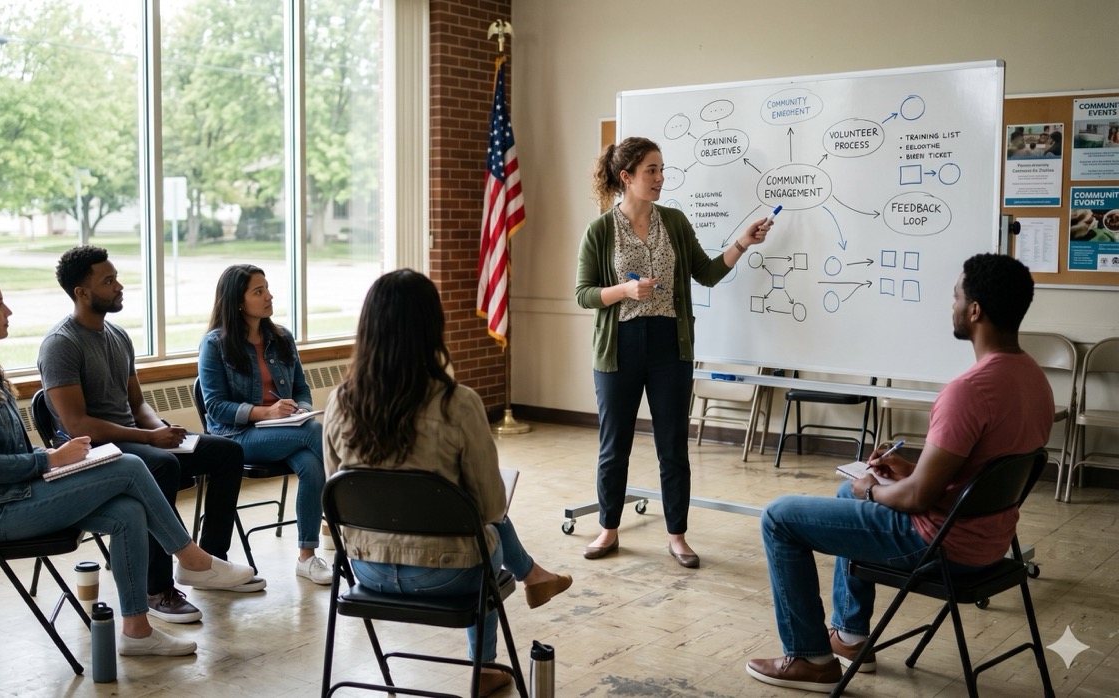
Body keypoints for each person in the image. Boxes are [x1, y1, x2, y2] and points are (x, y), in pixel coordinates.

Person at [745, 254, 1053, 692]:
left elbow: (914, 501)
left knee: (779, 517)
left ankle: (811, 659)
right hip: (992, 541)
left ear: (975, 310)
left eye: (955, 296)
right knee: (844, 493)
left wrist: (872, 489)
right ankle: (850, 636)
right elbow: (975, 471)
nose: (952, 305)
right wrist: (907, 469)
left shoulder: (968, 390)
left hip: (940, 545)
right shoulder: (1033, 379)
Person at [0, 271, 258, 657]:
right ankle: (192, 559)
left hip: (14, 494)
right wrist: (51, 459)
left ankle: (137, 632)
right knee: (128, 466)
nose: (8, 310)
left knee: (127, 510)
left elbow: (7, 451)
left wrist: (58, 465)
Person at [323, 269, 573, 697]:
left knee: (479, 530)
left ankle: (534, 578)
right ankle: (485, 666)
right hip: (447, 576)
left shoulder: (339, 401)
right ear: (432, 329)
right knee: (487, 534)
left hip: (367, 570)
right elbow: (492, 507)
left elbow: (336, 493)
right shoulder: (459, 403)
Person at [38, 245, 264, 626]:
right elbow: (77, 425)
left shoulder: (118, 335)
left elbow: (138, 404)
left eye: (116, 277)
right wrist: (147, 440)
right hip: (97, 449)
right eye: (108, 281)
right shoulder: (61, 344)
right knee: (160, 466)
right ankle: (156, 588)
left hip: (135, 436)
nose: (119, 285)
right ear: (82, 292)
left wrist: (159, 429)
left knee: (226, 452)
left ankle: (208, 562)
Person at [575, 136, 773, 567]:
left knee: (672, 446)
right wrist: (625, 289)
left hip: (670, 346)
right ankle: (608, 529)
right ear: (626, 177)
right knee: (615, 446)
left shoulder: (676, 222)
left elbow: (705, 274)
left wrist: (742, 243)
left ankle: (677, 535)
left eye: (661, 169)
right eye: (652, 170)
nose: (661, 178)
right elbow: (583, 295)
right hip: (618, 349)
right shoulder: (600, 230)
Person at [197, 263, 332, 585]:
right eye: (259, 291)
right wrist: (264, 413)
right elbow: (215, 407)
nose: (269, 296)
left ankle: (306, 557)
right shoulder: (215, 344)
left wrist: (300, 408)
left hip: (289, 432)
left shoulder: (282, 337)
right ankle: (359, 510)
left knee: (313, 465)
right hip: (238, 437)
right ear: (238, 301)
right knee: (315, 433)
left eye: (267, 288)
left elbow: (301, 388)